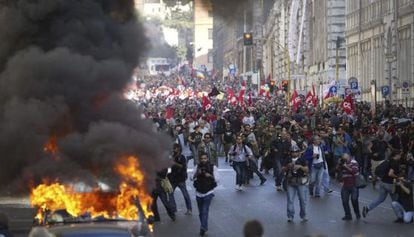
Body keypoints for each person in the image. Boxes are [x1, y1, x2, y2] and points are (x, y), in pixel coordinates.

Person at [362, 150, 402, 218]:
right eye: (400, 155)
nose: (400, 156)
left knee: (380, 199)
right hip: (390, 184)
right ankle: (400, 216)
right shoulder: (395, 163)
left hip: (383, 182)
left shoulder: (388, 160)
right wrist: (397, 177)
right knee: (396, 201)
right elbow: (390, 173)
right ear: (396, 155)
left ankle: (368, 208)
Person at [193, 152, 219, 236]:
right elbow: (190, 178)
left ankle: (203, 227)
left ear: (207, 158)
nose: (203, 160)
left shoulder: (213, 167)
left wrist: (210, 175)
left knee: (204, 210)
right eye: (202, 158)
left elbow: (218, 179)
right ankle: (204, 226)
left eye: (205, 158)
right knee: (201, 212)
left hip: (208, 192)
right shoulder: (197, 167)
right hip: (198, 192)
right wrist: (198, 173)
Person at [283, 146, 309, 222]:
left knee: (302, 200)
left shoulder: (302, 160)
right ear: (290, 153)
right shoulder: (287, 159)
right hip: (290, 182)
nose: (294, 153)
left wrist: (300, 167)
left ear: (298, 152)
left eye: (296, 152)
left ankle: (303, 215)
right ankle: (290, 216)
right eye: (293, 152)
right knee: (290, 200)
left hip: (301, 182)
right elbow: (282, 169)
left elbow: (307, 170)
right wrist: (288, 166)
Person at [168, 144, 192, 215]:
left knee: (185, 194)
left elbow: (183, 166)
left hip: (180, 179)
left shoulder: (182, 157)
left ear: (178, 149)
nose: (173, 150)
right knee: (170, 194)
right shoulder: (172, 156)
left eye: (175, 148)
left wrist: (174, 163)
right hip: (173, 179)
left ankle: (189, 209)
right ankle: (173, 209)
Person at [337, 153, 360, 220]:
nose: (345, 160)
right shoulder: (342, 163)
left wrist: (346, 166)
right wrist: (339, 164)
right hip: (345, 185)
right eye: (343, 158)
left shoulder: (354, 162)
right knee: (344, 201)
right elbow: (337, 170)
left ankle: (357, 213)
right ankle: (348, 215)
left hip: (354, 184)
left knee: (354, 200)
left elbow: (355, 172)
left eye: (345, 158)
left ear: (349, 157)